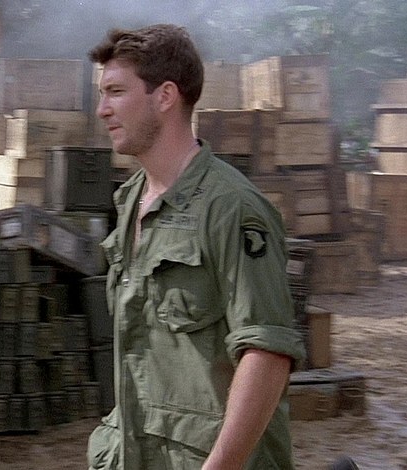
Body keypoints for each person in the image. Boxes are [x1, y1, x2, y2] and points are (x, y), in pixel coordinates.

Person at [86, 24, 307, 469]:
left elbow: (266, 354)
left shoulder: (232, 207)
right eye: (102, 94)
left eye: (116, 92)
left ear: (165, 96)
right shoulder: (131, 200)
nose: (102, 109)